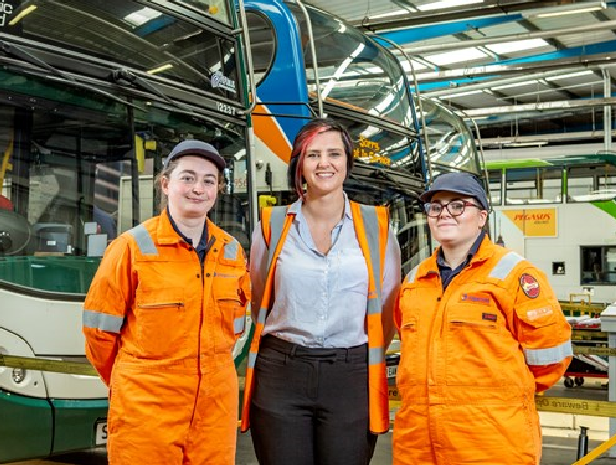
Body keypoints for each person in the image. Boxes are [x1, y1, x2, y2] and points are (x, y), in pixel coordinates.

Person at [240, 118, 401, 465]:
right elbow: (258, 299)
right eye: (313, 155)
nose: (324, 163)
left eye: (334, 154)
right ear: (299, 165)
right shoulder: (272, 223)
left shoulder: (377, 224)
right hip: (281, 372)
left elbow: (389, 308)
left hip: (351, 376)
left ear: (347, 163)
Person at [82, 140, 250, 465]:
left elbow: (234, 328)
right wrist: (135, 381)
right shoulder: (131, 248)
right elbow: (98, 333)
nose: (197, 189)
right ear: (165, 183)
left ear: (218, 190)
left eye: (208, 180)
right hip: (147, 407)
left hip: (215, 406)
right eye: (187, 178)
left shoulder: (231, 252)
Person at [393, 172, 572, 465]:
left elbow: (550, 359)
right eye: (435, 207)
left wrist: (498, 399)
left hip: (490, 445)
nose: (444, 214)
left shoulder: (514, 275)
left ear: (481, 217)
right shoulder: (414, 281)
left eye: (457, 206)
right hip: (418, 447)